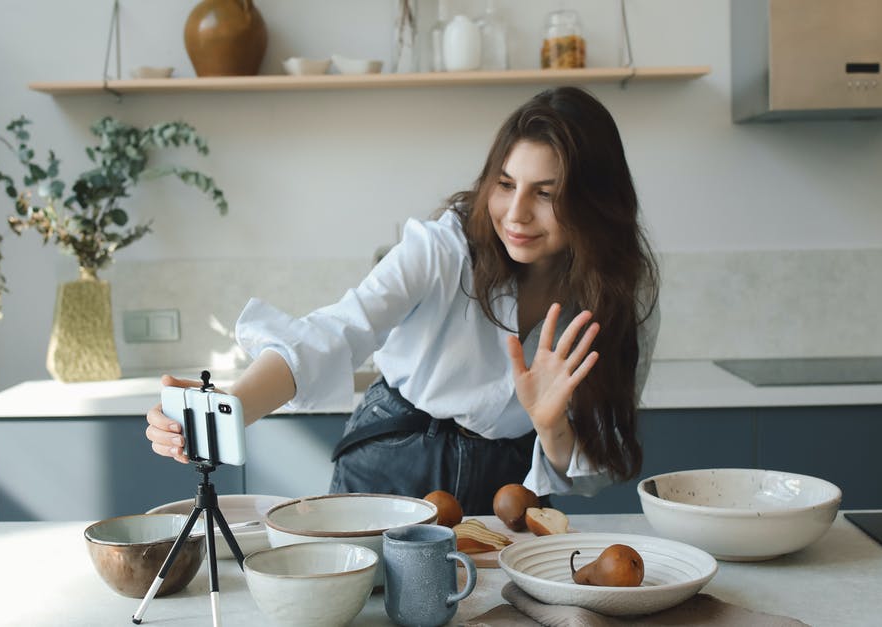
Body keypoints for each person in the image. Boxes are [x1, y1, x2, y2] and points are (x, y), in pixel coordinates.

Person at [145, 86, 660, 515]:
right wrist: (229, 409)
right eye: (505, 184)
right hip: (393, 456)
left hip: (510, 486)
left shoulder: (619, 295)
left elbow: (601, 464)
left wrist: (551, 427)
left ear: (594, 202)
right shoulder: (442, 249)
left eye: (546, 193)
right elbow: (337, 332)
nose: (516, 213)